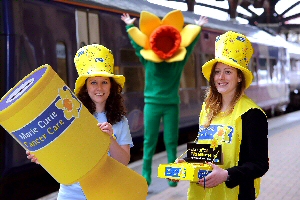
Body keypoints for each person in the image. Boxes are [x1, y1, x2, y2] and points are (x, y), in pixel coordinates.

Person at [26, 44, 133, 199]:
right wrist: (42, 157)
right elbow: (62, 156)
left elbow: (123, 162)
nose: (99, 88)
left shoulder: (120, 121)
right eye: (93, 82)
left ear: (111, 86)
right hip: (70, 195)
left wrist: (109, 138)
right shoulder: (70, 114)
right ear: (86, 87)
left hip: (106, 193)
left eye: (104, 82)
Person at [173, 31, 269, 199]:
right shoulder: (208, 108)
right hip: (202, 194)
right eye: (217, 72)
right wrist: (185, 162)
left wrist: (226, 175)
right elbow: (207, 148)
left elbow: (260, 164)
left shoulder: (252, 114)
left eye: (228, 72)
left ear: (239, 76)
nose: (220, 77)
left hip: (237, 195)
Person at [121, 10, 208, 187]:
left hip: (162, 104)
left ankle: (172, 174)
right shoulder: (155, 59)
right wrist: (130, 26)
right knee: (152, 140)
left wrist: (198, 28)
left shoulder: (167, 60)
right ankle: (147, 174)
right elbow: (139, 47)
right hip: (160, 105)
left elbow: (188, 47)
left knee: (169, 141)